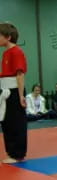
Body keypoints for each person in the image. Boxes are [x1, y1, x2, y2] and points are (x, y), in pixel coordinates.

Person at [0, 23, 27, 164]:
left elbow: (20, 74)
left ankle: (18, 154)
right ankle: (11, 152)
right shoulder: (5, 53)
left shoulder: (17, 52)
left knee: (17, 122)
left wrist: (21, 95)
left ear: (8, 37)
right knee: (7, 122)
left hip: (15, 91)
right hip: (6, 91)